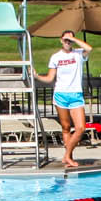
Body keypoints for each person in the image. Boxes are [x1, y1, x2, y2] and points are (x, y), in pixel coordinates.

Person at [42, 31, 91, 167]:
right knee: (66, 127)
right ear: (60, 40)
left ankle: (66, 155)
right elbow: (50, 78)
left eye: (70, 39)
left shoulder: (78, 54)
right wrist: (36, 76)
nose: (68, 42)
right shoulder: (56, 57)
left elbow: (89, 48)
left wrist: (73, 39)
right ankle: (69, 157)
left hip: (75, 94)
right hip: (61, 94)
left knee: (81, 127)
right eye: (65, 39)